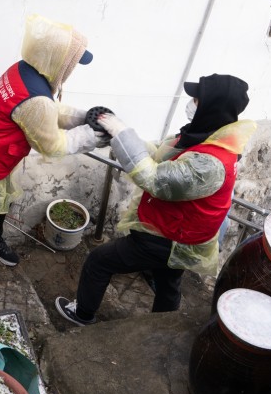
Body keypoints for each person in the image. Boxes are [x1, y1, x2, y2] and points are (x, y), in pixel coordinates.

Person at [56, 74, 255, 325]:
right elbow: (158, 153)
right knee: (167, 280)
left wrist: (122, 135)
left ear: (212, 107)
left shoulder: (210, 162)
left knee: (99, 262)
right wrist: (119, 136)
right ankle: (162, 329)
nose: (191, 103)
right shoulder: (204, 136)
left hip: (168, 236)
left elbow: (156, 180)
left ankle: (82, 314)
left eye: (196, 99)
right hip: (183, 232)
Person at [0, 14, 100, 289]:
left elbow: (47, 111)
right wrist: (91, 135)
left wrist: (83, 116)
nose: (73, 68)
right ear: (56, 60)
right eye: (72, 62)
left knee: (2, 201)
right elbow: (52, 144)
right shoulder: (36, 97)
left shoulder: (24, 70)